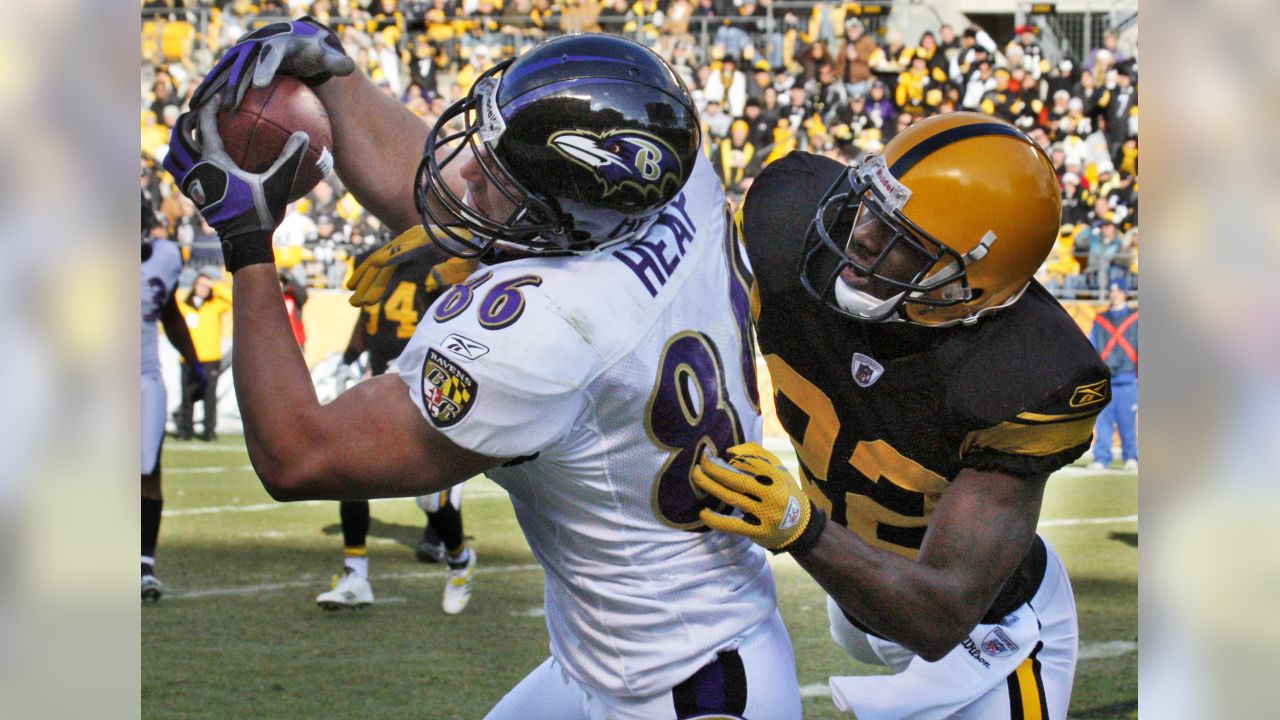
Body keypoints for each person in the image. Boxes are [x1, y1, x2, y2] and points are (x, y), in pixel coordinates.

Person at [167, 26, 800, 719]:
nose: (466, 174)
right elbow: (471, 204)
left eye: (497, 178)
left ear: (563, 220)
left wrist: (246, 238)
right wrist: (334, 74)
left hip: (683, 684)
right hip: (625, 649)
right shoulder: (675, 180)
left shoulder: (547, 332)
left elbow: (298, 454)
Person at [690, 112, 1112, 719]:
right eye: (871, 207)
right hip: (858, 588)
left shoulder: (1027, 372)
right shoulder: (791, 222)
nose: (860, 236)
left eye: (906, 240)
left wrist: (796, 525)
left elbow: (939, 614)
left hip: (978, 634)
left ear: (973, 283)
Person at [318, 254, 479, 613]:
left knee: (432, 500)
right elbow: (367, 317)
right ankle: (355, 574)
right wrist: (348, 357)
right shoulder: (377, 260)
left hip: (423, 386)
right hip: (380, 383)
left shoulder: (442, 263)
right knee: (351, 472)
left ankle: (459, 559)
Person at [141, 194, 206, 602]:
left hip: (143, 376)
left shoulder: (164, 256)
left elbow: (170, 313)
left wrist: (194, 361)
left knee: (148, 473)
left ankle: (143, 565)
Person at [1088, 280, 1138, 472]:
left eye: (1117, 291)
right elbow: (1092, 345)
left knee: (1127, 421)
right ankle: (1102, 458)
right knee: (1103, 422)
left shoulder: (1136, 319)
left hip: (1128, 379)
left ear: (1125, 293)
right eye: (1112, 291)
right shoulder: (1100, 319)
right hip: (1107, 379)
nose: (1114, 294)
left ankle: (1131, 457)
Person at [176, 272, 232, 441]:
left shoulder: (215, 305)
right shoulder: (184, 306)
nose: (203, 288)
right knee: (187, 397)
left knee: (209, 397)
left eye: (206, 286)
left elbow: (232, 299)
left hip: (210, 358)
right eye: (200, 284)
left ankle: (209, 432)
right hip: (188, 358)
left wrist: (215, 285)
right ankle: (184, 431)